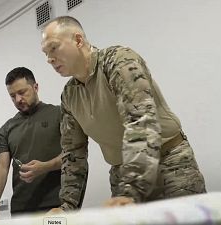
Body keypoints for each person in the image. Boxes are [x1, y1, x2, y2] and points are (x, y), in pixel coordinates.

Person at [41, 16, 206, 211]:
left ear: (78, 40)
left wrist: (131, 191)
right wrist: (67, 206)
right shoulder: (69, 95)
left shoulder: (119, 61)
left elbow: (141, 124)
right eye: (45, 53)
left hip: (170, 165)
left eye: (53, 48)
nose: (49, 59)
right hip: (123, 175)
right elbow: (73, 153)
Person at [0, 67, 65, 219]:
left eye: (22, 92)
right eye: (12, 96)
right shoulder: (7, 128)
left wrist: (45, 167)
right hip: (21, 208)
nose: (18, 99)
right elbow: (2, 165)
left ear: (36, 87)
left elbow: (74, 154)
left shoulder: (59, 114)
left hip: (56, 204)